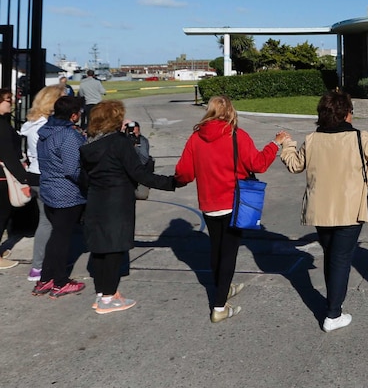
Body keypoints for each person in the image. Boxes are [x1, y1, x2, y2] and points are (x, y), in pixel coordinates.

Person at [279, 90, 368, 332]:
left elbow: (295, 165)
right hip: (350, 209)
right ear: (347, 114)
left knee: (332, 256)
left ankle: (332, 303)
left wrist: (287, 144)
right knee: (340, 259)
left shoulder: (313, 139)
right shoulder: (359, 137)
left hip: (320, 210)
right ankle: (333, 314)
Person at [175, 95, 288, 323]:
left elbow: (184, 172)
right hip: (233, 203)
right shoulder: (237, 135)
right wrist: (274, 144)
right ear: (230, 112)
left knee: (216, 248)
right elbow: (258, 164)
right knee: (228, 253)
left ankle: (222, 288)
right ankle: (219, 306)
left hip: (209, 203)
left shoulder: (196, 138)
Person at [79, 101, 177, 314]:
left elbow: (84, 178)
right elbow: (139, 173)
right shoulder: (119, 143)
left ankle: (103, 293)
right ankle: (108, 298)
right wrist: (170, 182)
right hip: (117, 201)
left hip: (96, 200)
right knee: (115, 249)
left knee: (100, 249)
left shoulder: (88, 146)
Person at [32, 95, 87, 298]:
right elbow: (73, 169)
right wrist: (88, 183)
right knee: (62, 239)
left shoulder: (45, 132)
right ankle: (60, 281)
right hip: (66, 193)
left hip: (49, 189)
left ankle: (46, 279)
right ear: (73, 116)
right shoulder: (68, 136)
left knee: (56, 236)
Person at [19, 85, 66, 280]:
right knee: (54, 223)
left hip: (35, 175)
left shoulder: (32, 124)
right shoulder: (46, 126)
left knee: (46, 222)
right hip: (48, 176)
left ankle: (38, 266)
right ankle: (45, 266)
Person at [0, 88, 30, 270]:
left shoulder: (4, 122)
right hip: (3, 176)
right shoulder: (2, 126)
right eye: (8, 100)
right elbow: (9, 155)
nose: (11, 103)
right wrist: (23, 178)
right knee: (2, 215)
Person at [123, 119, 154, 200]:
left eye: (135, 133)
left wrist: (134, 147)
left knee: (141, 195)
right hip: (124, 174)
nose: (133, 135)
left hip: (139, 173)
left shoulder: (143, 141)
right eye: (130, 133)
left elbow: (144, 160)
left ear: (139, 132)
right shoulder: (121, 141)